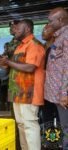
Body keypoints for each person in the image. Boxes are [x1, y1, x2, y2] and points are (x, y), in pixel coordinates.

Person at [0, 19, 45, 150]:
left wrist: (8, 62)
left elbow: (30, 68)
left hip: (29, 93)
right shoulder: (20, 46)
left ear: (27, 29)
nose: (14, 30)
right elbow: (16, 66)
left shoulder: (34, 45)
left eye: (18, 28)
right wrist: (3, 63)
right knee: (21, 125)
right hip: (17, 92)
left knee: (29, 124)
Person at [45, 7, 68, 149]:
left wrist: (65, 94)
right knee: (63, 125)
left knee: (66, 127)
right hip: (57, 94)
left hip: (63, 95)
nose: (48, 25)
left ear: (60, 20)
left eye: (50, 21)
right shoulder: (59, 36)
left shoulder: (67, 36)